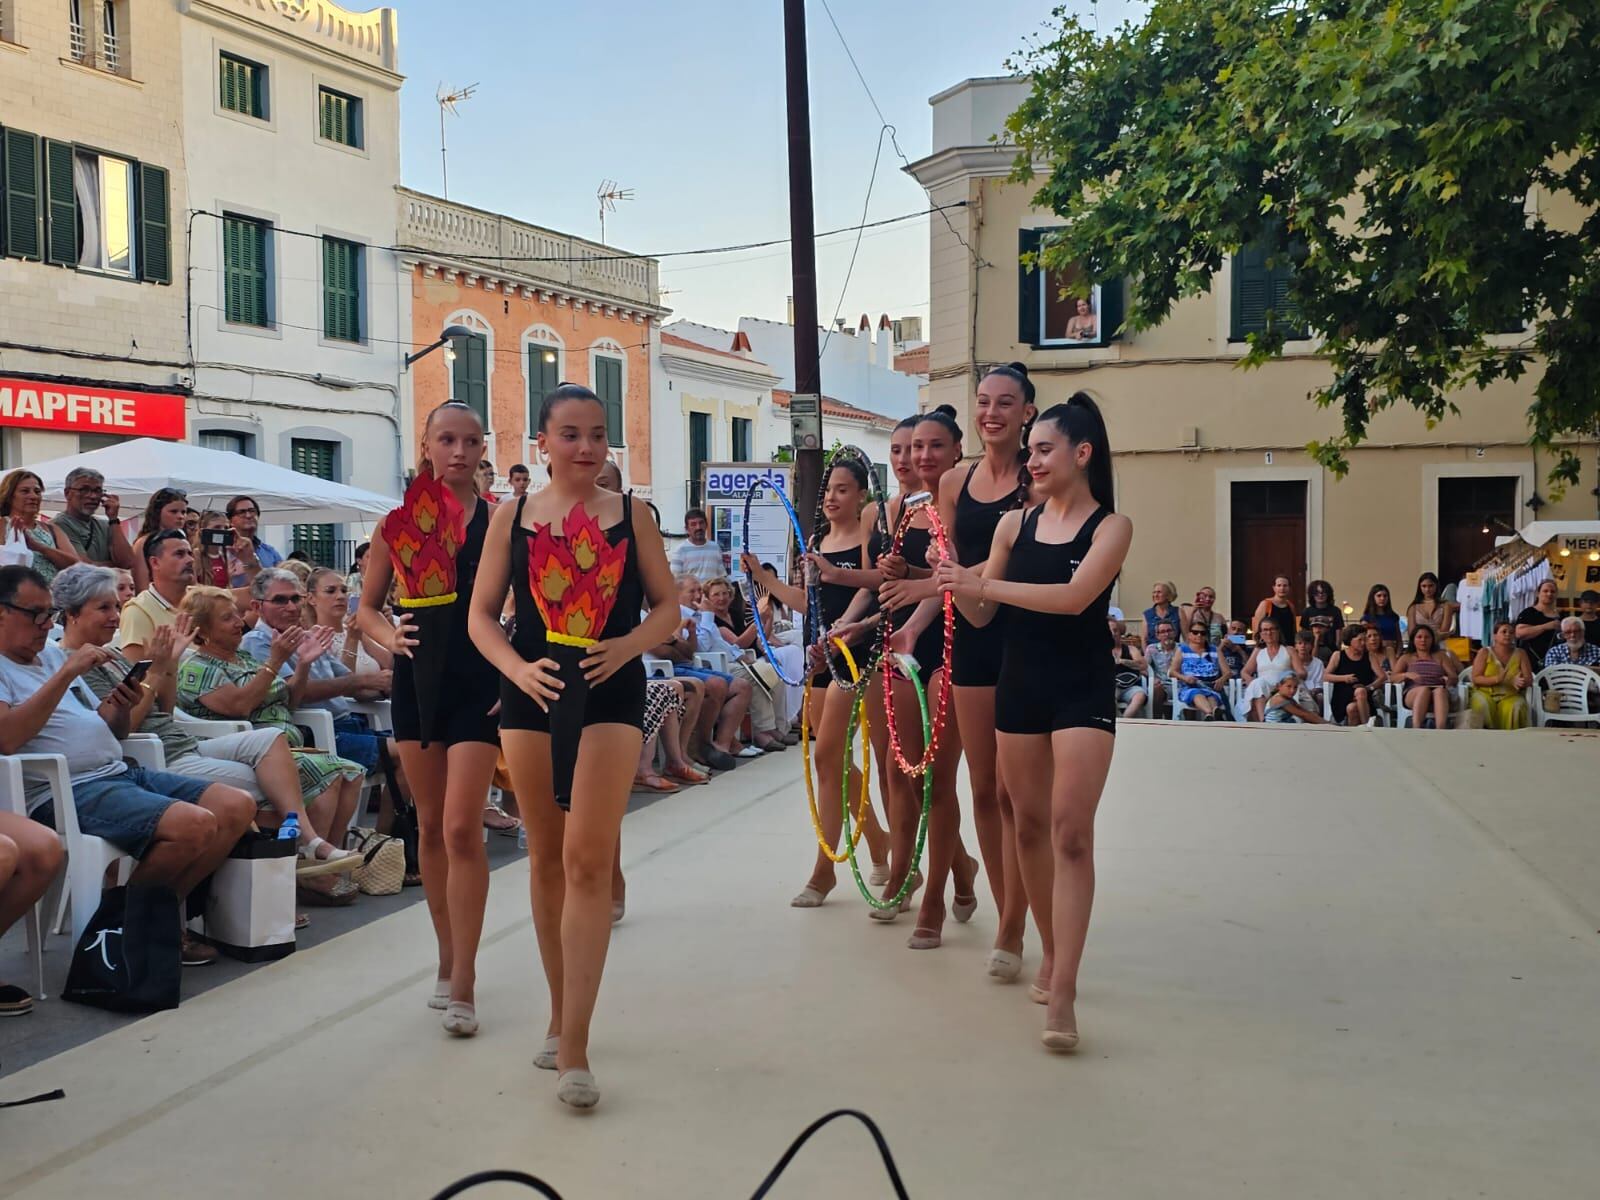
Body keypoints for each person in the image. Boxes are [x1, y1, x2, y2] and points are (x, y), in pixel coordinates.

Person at [468, 382, 681, 1110]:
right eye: (570, 434)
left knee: (590, 858)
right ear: (543, 442)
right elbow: (481, 617)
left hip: (609, 691)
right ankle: (559, 1016)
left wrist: (627, 647)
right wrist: (517, 667)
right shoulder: (513, 515)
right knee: (548, 856)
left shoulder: (635, 516)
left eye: (597, 434)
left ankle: (578, 1048)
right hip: (533, 695)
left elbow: (669, 608)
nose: (586, 447)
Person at [935, 393, 1132, 1053]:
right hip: (1018, 686)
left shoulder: (1111, 527)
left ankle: (1066, 988)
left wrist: (984, 585)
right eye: (1032, 451)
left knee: (1071, 833)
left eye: (1045, 448)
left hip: (1082, 687)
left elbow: (1075, 600)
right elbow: (985, 616)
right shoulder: (1012, 528)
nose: (1033, 459)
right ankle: (1048, 951)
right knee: (1027, 825)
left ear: (1083, 453)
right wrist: (950, 583)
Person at [0, 565, 253, 967]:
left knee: (236, 805)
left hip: (116, 772)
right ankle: (126, 926)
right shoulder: (18, 665)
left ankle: (153, 918)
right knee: (195, 824)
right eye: (37, 614)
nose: (47, 624)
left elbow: (109, 729)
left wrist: (122, 705)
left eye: (50, 613)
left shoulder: (47, 656)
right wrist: (65, 674)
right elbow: (7, 737)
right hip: (66, 789)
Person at [53, 564, 357, 875]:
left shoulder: (114, 656)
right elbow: (123, 727)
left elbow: (165, 711)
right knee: (274, 787)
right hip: (154, 755)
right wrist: (158, 670)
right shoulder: (70, 664)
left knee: (271, 743)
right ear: (72, 613)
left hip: (182, 740)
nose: (115, 616)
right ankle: (278, 880)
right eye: (104, 608)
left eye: (116, 606)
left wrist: (168, 665)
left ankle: (306, 851)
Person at [358, 402, 504, 1035]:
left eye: (471, 441)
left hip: (480, 681)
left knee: (462, 827)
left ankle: (465, 975)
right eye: (448, 439)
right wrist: (389, 639)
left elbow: (524, 606)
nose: (460, 451)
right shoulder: (395, 525)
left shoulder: (501, 521)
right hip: (418, 680)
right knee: (432, 830)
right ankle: (446, 958)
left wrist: (514, 668)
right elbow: (364, 610)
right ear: (426, 445)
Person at [741, 457, 894, 910]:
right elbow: (809, 602)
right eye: (829, 489)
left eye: (843, 489)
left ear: (862, 496)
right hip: (820, 656)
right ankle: (878, 840)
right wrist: (765, 579)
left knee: (828, 756)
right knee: (831, 765)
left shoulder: (871, 539)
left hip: (858, 653)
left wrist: (845, 617)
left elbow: (876, 588)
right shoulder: (815, 541)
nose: (832, 496)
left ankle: (823, 872)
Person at [930, 363, 1035, 976]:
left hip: (1024, 634)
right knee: (983, 790)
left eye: (1005, 403)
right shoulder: (953, 482)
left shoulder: (1037, 477)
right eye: (982, 401)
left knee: (1018, 795)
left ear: (1026, 413)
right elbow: (948, 565)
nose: (991, 412)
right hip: (971, 633)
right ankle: (1006, 918)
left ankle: (1021, 918)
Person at [876, 406, 980, 953]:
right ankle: (961, 866)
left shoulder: (965, 501)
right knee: (904, 775)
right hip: (906, 641)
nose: (919, 457)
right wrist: (898, 576)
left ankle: (933, 895)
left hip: (955, 642)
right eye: (913, 447)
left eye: (933, 446)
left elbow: (955, 582)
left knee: (938, 778)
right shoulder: (899, 508)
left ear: (956, 450)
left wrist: (916, 614)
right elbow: (919, 580)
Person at [176, 585, 367, 860]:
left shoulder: (243, 657)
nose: (238, 622)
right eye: (227, 618)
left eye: (236, 615)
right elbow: (239, 706)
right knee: (329, 773)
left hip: (283, 742)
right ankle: (311, 858)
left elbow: (289, 701)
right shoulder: (199, 667)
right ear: (203, 629)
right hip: (250, 750)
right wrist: (275, 662)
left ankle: (326, 861)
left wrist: (303, 665)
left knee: (353, 772)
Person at [700, 577, 785, 753]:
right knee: (754, 677)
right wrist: (758, 621)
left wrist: (766, 620)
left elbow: (761, 638)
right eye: (716, 595)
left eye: (725, 593)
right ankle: (763, 731)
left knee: (776, 673)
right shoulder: (711, 621)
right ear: (707, 597)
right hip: (723, 662)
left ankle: (778, 726)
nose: (721, 598)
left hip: (744, 657)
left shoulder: (735, 614)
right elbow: (739, 643)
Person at [118, 529, 195, 661]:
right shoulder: (138, 611)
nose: (190, 560)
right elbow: (136, 677)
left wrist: (244, 559)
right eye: (179, 554)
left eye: (190, 553)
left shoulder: (203, 598)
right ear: (155, 563)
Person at [0, 470, 77, 584]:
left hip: (55, 598)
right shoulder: (2, 526)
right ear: (10, 496)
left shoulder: (52, 529)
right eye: (25, 491)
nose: (33, 496)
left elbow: (77, 565)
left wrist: (39, 547)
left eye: (37, 491)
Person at [53, 467, 133, 569]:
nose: (93, 496)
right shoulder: (58, 525)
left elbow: (128, 562)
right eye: (84, 490)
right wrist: (114, 565)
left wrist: (113, 519)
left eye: (97, 490)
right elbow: (83, 567)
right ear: (67, 493)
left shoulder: (107, 525)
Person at [1392, 623, 1459, 730]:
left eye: (1427, 637)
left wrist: (1448, 680)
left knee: (1440, 692)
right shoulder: (1406, 657)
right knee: (1424, 690)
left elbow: (1454, 677)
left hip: (1438, 691)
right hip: (1414, 693)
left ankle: (1441, 730)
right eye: (1419, 637)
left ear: (1432, 640)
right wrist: (1406, 675)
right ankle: (1417, 728)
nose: (1423, 640)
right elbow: (1393, 677)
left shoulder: (1441, 656)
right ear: (1413, 640)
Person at [1469, 621, 1534, 730]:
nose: (1508, 634)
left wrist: (1521, 682)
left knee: (1517, 706)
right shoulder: (1484, 652)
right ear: (1495, 636)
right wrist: (1497, 679)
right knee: (1482, 704)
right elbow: (1476, 678)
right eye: (1504, 632)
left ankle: (1511, 740)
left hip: (1510, 695)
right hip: (1485, 693)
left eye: (1511, 632)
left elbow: (1529, 679)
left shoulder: (1521, 653)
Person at [129, 488, 190, 592]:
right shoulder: (143, 543)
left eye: (183, 512)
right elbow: (141, 587)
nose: (180, 516)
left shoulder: (184, 542)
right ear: (157, 512)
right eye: (173, 511)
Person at [1170, 621, 1232, 720]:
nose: (1199, 635)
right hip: (1189, 686)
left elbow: (1228, 672)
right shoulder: (1183, 650)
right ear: (1189, 634)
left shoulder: (1214, 650)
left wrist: (1222, 679)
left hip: (1210, 686)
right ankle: (1210, 713)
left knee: (1211, 695)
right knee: (1196, 693)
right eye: (1195, 632)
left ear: (1206, 635)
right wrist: (1185, 678)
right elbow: (1172, 672)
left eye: (1203, 633)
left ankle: (1212, 714)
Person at [1324, 626, 1382, 726]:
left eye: (1364, 639)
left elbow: (1382, 677)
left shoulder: (1369, 656)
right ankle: (1367, 726)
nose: (1363, 643)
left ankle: (1357, 733)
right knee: (1359, 692)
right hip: (1342, 694)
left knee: (1352, 707)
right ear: (1350, 640)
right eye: (1360, 640)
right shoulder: (1338, 655)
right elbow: (1325, 676)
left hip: (1364, 696)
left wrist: (1369, 687)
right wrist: (1344, 678)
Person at [194, 509, 261, 593]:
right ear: (202, 531)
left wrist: (249, 557)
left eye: (226, 528)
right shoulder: (195, 555)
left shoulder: (228, 555)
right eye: (217, 527)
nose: (222, 531)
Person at [1241, 619, 1294, 721]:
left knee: (1258, 685)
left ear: (1278, 631)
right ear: (1260, 634)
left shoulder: (1289, 650)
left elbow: (1301, 673)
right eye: (1265, 630)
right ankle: (1263, 720)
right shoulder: (1258, 651)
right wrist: (1252, 682)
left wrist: (1288, 680)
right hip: (1263, 687)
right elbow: (1245, 672)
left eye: (1272, 629)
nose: (1268, 633)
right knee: (1259, 683)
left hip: (1282, 687)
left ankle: (1262, 721)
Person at [226, 496, 283, 580]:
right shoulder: (220, 551)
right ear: (230, 521)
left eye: (252, 511)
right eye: (242, 512)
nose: (248, 515)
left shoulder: (270, 552)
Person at [1514, 578, 1563, 667]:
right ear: (1538, 593)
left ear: (1556, 595)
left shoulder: (1562, 616)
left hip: (1555, 663)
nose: (1549, 594)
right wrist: (1545, 626)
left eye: (1552, 591)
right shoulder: (1528, 612)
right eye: (1545, 591)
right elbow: (1520, 633)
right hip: (1529, 662)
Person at [669, 508, 726, 581]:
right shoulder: (680, 551)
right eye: (693, 524)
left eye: (701, 523)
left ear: (706, 525)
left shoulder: (715, 548)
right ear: (687, 529)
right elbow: (675, 581)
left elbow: (722, 577)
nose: (698, 527)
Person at [1111, 619, 1148, 717]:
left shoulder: (1131, 649)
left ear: (1120, 633)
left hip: (1130, 686)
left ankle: (1124, 720)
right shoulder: (1100, 651)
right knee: (1108, 695)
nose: (1113, 633)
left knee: (1140, 695)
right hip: (1111, 685)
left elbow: (1143, 665)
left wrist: (1122, 661)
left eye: (1115, 630)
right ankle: (1118, 722)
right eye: (1109, 631)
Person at [1299, 580, 1344, 660]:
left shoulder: (1335, 611)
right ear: (1312, 595)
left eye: (1323, 593)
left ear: (1328, 594)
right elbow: (1304, 634)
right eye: (1317, 593)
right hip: (1311, 650)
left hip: (1331, 650)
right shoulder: (1307, 611)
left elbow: (1339, 633)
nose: (1320, 595)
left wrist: (1337, 649)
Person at [1145, 619, 1180, 717]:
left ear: (1175, 632)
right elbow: (1144, 668)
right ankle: (1157, 721)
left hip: (1180, 684)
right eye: (1163, 632)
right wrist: (1153, 678)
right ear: (1157, 635)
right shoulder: (1152, 649)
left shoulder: (1183, 648)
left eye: (1169, 631)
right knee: (1156, 689)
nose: (1166, 634)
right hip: (1162, 684)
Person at [1250, 575, 1298, 645]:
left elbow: (1294, 630)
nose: (1282, 588)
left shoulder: (1291, 606)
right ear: (1274, 588)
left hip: (1288, 647)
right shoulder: (1265, 604)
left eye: (1285, 585)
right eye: (1279, 585)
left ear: (1289, 588)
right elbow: (1257, 630)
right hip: (1270, 647)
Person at [1407, 572, 1457, 638]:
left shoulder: (1445, 605)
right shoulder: (1413, 607)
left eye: (1430, 586)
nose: (1427, 589)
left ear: (1436, 585)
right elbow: (1411, 633)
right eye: (1424, 586)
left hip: (1439, 641)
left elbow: (1444, 630)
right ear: (1419, 587)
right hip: (1420, 643)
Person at [1289, 629, 1326, 713]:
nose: (1303, 646)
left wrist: (1313, 691)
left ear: (1312, 646)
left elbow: (1319, 684)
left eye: (1306, 643)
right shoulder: (1290, 662)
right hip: (1295, 691)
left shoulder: (1318, 663)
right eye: (1300, 643)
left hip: (1314, 692)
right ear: (1295, 646)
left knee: (1320, 697)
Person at [1361, 584, 1402, 651]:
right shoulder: (1366, 618)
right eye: (1379, 596)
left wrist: (1398, 654)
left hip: (1393, 652)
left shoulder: (1393, 617)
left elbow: (1399, 639)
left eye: (1385, 596)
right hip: (1375, 654)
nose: (1382, 598)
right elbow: (1364, 640)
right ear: (1373, 597)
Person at [1141, 581, 1182, 647]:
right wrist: (1147, 655)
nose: (1156, 595)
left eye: (1159, 592)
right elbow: (1144, 639)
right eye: (1154, 592)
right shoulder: (1147, 614)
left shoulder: (1178, 611)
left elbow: (1186, 637)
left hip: (1174, 652)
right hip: (1153, 653)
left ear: (1168, 595)